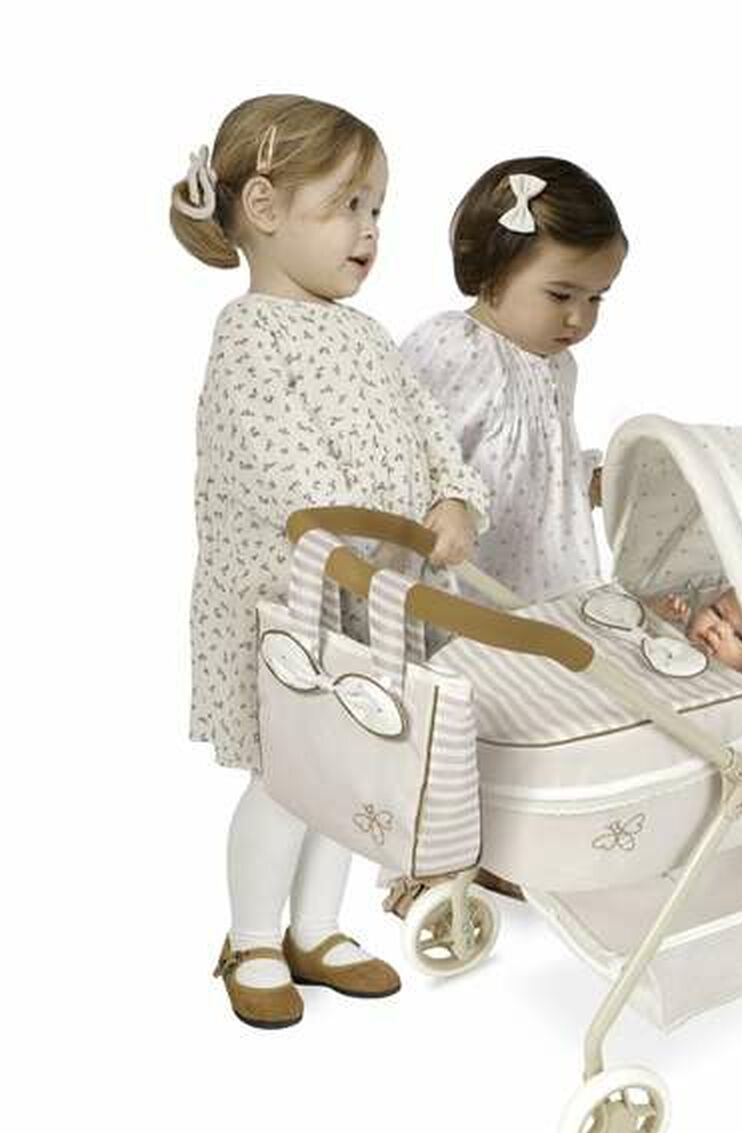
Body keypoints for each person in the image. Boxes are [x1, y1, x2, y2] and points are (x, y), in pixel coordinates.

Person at [171, 94, 489, 1029]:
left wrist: (452, 498)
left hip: (374, 600)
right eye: (349, 205)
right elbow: (281, 466)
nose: (370, 229)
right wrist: (364, 536)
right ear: (265, 207)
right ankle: (252, 938)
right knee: (288, 775)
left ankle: (316, 928)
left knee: (351, 768)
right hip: (294, 603)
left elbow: (428, 430)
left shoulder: (369, 336)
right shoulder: (250, 334)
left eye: (377, 208)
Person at [401, 156, 627, 604]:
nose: (579, 317)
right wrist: (446, 501)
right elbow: (408, 447)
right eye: (560, 295)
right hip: (468, 574)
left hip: (543, 578)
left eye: (595, 298)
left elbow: (540, 463)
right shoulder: (456, 346)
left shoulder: (559, 366)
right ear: (495, 270)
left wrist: (586, 480)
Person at [650, 588, 742, 678]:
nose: (719, 629)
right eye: (717, 613)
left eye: (740, 637)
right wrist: (655, 616)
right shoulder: (673, 635)